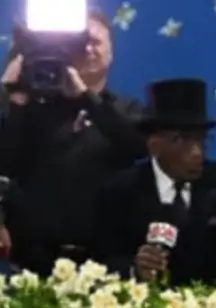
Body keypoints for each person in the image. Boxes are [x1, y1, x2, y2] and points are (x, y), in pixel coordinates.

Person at [0, 10, 146, 275]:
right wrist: (12, 96)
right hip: (33, 260)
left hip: (106, 260)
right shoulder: (34, 108)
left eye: (96, 42)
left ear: (111, 51)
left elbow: (136, 146)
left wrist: (85, 97)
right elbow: (6, 162)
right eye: (81, 43)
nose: (89, 49)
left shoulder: (127, 109)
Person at [93, 78, 216, 286]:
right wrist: (134, 269)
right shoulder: (119, 192)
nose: (196, 152)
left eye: (201, 139)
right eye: (181, 139)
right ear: (154, 146)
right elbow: (100, 262)